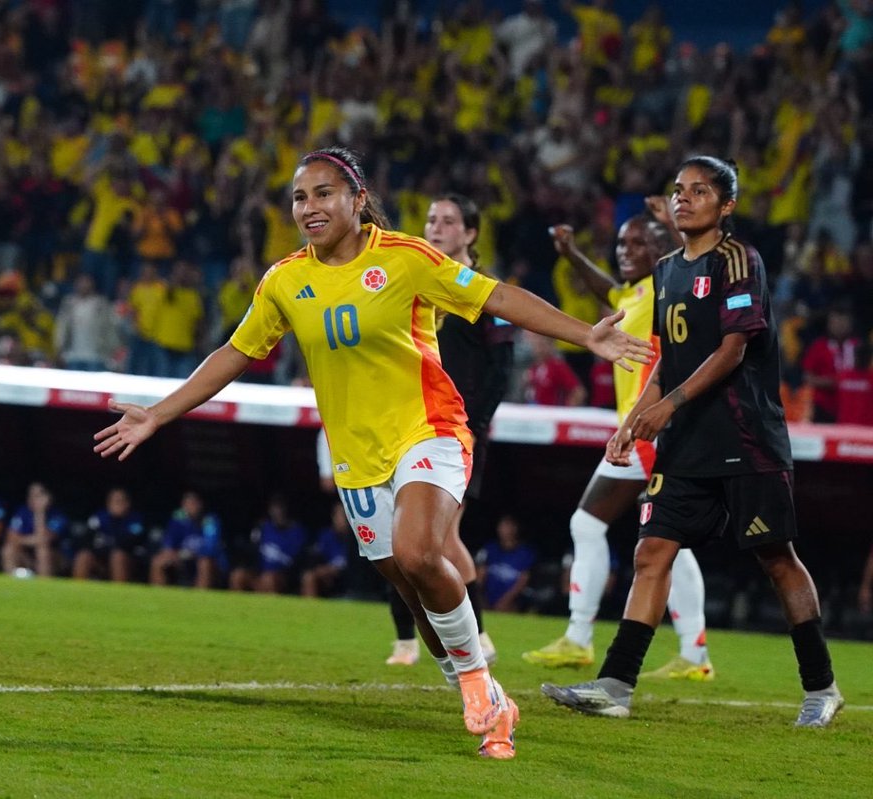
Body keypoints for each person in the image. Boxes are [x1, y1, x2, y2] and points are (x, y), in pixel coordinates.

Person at [96, 146, 654, 759]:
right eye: (299, 197)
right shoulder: (285, 280)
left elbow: (496, 297)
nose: (309, 207)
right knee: (410, 589)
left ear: (357, 199)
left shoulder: (406, 257)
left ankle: (475, 683)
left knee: (421, 553)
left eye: (323, 193)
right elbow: (235, 352)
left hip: (429, 427)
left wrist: (585, 335)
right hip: (355, 455)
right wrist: (159, 412)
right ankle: (488, 695)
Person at [542, 156, 843, 728]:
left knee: (776, 559)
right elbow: (667, 358)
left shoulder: (738, 260)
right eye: (678, 190)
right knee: (651, 552)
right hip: (687, 443)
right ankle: (615, 684)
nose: (683, 199)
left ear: (726, 205)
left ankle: (821, 687)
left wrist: (668, 407)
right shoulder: (667, 270)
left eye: (699, 191)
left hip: (746, 435)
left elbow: (732, 351)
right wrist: (633, 420)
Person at [524, 212, 715, 682]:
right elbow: (610, 291)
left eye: (638, 243)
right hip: (646, 431)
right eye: (622, 243)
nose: (626, 250)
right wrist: (572, 255)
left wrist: (673, 229)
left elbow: (693, 265)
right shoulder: (635, 294)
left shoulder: (667, 288)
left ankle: (579, 637)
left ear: (660, 251)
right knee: (670, 543)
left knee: (587, 523)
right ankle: (694, 654)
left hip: (650, 432)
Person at [383, 193, 514, 668]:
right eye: (430, 219)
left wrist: (475, 426)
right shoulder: (416, 283)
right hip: (402, 423)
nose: (435, 227)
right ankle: (416, 638)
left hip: (453, 430)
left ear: (471, 233)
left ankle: (469, 635)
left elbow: (501, 370)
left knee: (436, 536)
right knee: (400, 532)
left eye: (448, 221)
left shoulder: (479, 292)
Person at [149, 489, 227, 589]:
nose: (191, 506)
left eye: (194, 503)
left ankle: (200, 598)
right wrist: (172, 553)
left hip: (209, 562)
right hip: (183, 559)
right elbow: (169, 542)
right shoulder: (178, 519)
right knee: (158, 561)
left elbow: (210, 547)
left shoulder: (210, 520)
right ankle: (159, 596)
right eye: (188, 503)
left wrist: (190, 553)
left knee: (204, 563)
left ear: (200, 504)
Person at [1, 482, 67, 578]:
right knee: (8, 550)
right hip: (27, 556)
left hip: (54, 558)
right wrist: (31, 540)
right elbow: (11, 538)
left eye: (38, 496)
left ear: (48, 497)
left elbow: (45, 541)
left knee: (42, 551)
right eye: (31, 495)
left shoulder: (58, 516)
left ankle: (44, 585)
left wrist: (40, 513)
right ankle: (10, 584)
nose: (33, 499)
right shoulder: (22, 513)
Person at [475, 513, 535, 613]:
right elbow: (479, 578)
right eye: (502, 525)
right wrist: (481, 600)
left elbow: (523, 581)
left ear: (515, 528)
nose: (503, 529)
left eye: (508, 525)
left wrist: (504, 602)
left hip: (511, 603)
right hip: (486, 601)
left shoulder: (526, 553)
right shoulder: (489, 549)